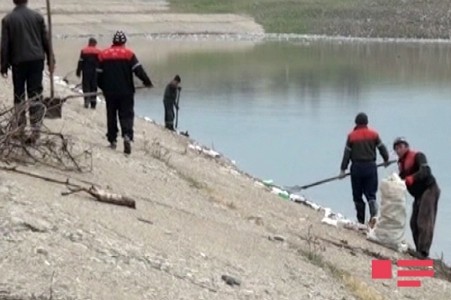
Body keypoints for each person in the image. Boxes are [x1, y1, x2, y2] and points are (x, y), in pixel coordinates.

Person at [1, 0, 54, 143]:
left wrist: (3, 65)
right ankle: (36, 130)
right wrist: (51, 60)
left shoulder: (8, 19)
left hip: (18, 62)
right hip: (36, 61)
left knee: (19, 94)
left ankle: (20, 127)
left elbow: (5, 45)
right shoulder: (37, 17)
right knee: (35, 94)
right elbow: (46, 41)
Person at [97, 30, 153, 154]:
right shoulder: (129, 54)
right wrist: (147, 82)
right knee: (126, 115)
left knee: (111, 115)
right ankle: (127, 135)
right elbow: (139, 70)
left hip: (110, 92)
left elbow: (98, 75)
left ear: (113, 42)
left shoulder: (103, 54)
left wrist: (103, 87)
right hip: (126, 91)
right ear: (124, 42)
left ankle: (112, 140)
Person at [393, 137, 440, 259]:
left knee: (423, 221)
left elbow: (426, 171)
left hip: (429, 189)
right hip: (418, 195)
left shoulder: (418, 156)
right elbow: (401, 179)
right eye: (396, 148)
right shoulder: (402, 164)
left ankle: (424, 252)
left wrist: (412, 178)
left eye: (401, 146)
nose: (398, 150)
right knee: (413, 223)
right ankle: (419, 249)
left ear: (406, 147)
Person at [339, 112, 390, 224]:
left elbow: (346, 154)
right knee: (371, 194)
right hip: (371, 167)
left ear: (356, 123)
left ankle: (361, 221)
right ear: (367, 122)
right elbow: (382, 149)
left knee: (357, 195)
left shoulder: (351, 136)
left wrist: (343, 170)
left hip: (356, 168)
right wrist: (386, 160)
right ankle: (373, 216)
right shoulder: (374, 134)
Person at [76, 37, 101, 109]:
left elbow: (80, 61)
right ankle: (93, 103)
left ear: (89, 43)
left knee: (86, 86)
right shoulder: (98, 51)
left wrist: (78, 71)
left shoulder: (84, 51)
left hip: (86, 71)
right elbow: (100, 62)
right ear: (95, 44)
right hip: (95, 72)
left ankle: (86, 101)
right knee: (94, 87)